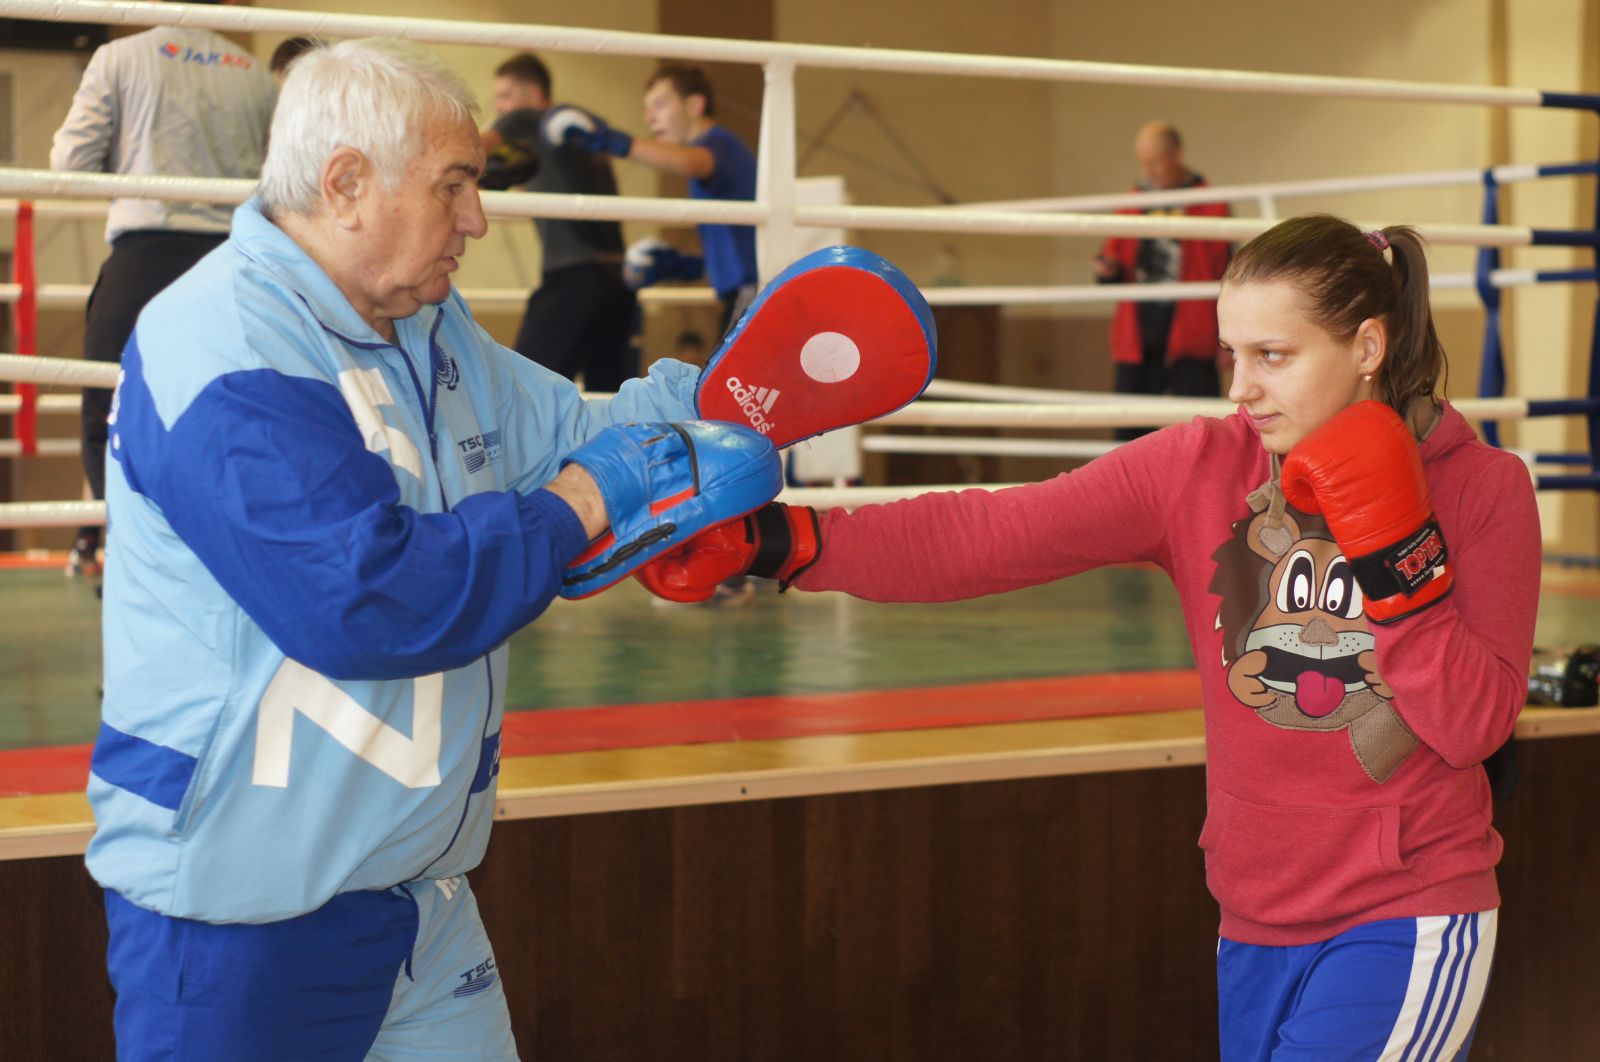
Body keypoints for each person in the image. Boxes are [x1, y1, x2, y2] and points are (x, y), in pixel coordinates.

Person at [638, 214, 1541, 1060]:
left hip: (1406, 909)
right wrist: (783, 541)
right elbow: (995, 533)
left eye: (1274, 356)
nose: (1241, 388)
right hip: (1253, 914)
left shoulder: (1482, 490)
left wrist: (1398, 556)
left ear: (1368, 347)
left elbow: (1475, 725)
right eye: (1233, 354)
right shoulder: (1200, 467)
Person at [88, 38, 783, 1060]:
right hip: (242, 919)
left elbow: (571, 431)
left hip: (423, 902)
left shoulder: (430, 326)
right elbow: (366, 598)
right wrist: (583, 504)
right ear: (347, 184)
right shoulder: (220, 343)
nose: (479, 218)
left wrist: (732, 399)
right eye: (454, 186)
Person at [48, 0, 277, 576]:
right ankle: (225, 566)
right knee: (233, 415)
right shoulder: (253, 76)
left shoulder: (121, 57)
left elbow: (69, 164)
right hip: (233, 263)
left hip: (146, 256)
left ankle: (135, 567)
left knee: (110, 406)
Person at [549, 63, 759, 335]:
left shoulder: (717, 145)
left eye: (659, 105)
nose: (649, 118)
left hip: (750, 294)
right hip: (743, 293)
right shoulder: (711, 154)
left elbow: (689, 163)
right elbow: (735, 244)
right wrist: (681, 266)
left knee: (722, 376)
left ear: (694, 106)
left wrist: (609, 141)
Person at [481, 53, 638, 392]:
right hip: (619, 283)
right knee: (608, 398)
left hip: (574, 278)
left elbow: (468, 149)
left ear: (535, 94)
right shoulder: (582, 133)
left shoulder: (526, 119)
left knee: (524, 391)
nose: (500, 106)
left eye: (506, 95)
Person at [1094, 121, 1232, 438]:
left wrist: (1227, 341)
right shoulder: (1133, 201)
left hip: (1194, 334)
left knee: (1201, 432)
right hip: (1138, 334)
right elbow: (1111, 266)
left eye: (1155, 162)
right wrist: (1107, 270)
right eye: (1143, 162)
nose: (1149, 170)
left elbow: (1229, 274)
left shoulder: (1211, 202)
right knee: (1130, 434)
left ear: (1176, 155)